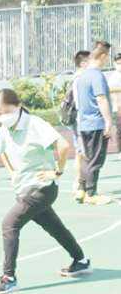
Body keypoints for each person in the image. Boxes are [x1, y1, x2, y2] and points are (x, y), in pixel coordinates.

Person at [0, 88, 90, 294]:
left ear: (17, 107)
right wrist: (12, 173)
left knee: (9, 224)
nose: (2, 116)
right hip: (23, 187)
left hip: (41, 188)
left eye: (6, 111)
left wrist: (57, 172)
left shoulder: (34, 124)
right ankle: (80, 260)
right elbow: (3, 152)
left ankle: (9, 278)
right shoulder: (3, 127)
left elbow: (63, 145)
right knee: (54, 227)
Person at [73, 41, 114, 205]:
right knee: (96, 160)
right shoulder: (97, 75)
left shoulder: (82, 76)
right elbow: (101, 98)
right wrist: (108, 122)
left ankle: (81, 189)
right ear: (103, 56)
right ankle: (91, 193)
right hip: (96, 123)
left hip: (83, 124)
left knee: (87, 158)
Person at [66, 51, 91, 199]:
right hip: (80, 120)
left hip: (78, 120)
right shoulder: (81, 78)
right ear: (83, 63)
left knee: (80, 152)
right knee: (82, 153)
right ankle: (79, 184)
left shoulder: (78, 77)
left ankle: (80, 183)